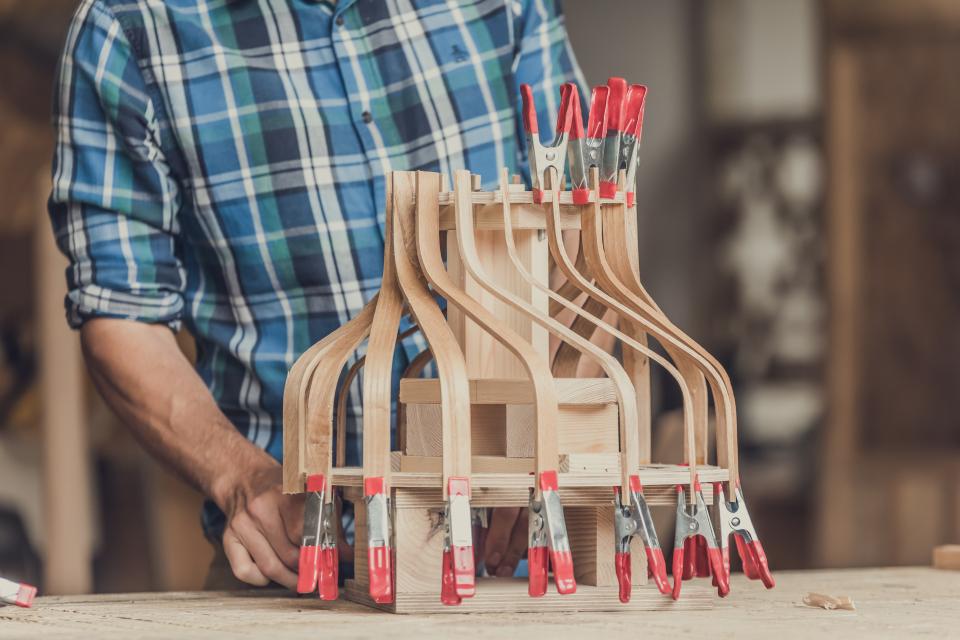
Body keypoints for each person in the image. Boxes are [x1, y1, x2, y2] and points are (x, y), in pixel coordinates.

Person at [49, 0, 583, 590]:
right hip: (298, 569)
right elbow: (122, 315)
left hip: (523, 560)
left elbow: (582, 250)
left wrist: (534, 438)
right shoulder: (130, 27)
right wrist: (239, 477)